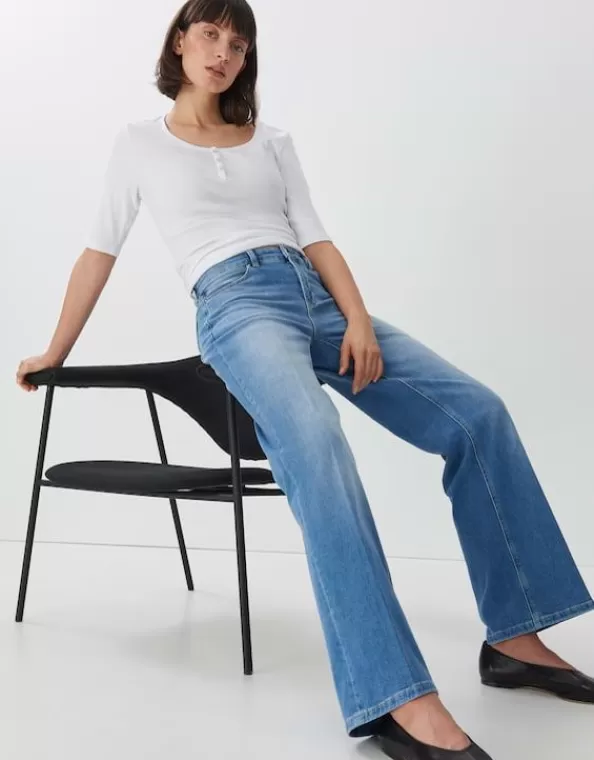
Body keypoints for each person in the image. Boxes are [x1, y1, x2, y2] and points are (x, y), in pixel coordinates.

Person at [16, 1, 594, 757]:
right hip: (236, 306)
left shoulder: (272, 140)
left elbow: (315, 236)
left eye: (239, 43)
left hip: (316, 297)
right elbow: (99, 251)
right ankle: (396, 698)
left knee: (477, 415)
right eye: (211, 35)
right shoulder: (139, 145)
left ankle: (515, 639)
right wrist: (54, 350)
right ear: (181, 40)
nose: (224, 53)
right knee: (317, 448)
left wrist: (356, 319)